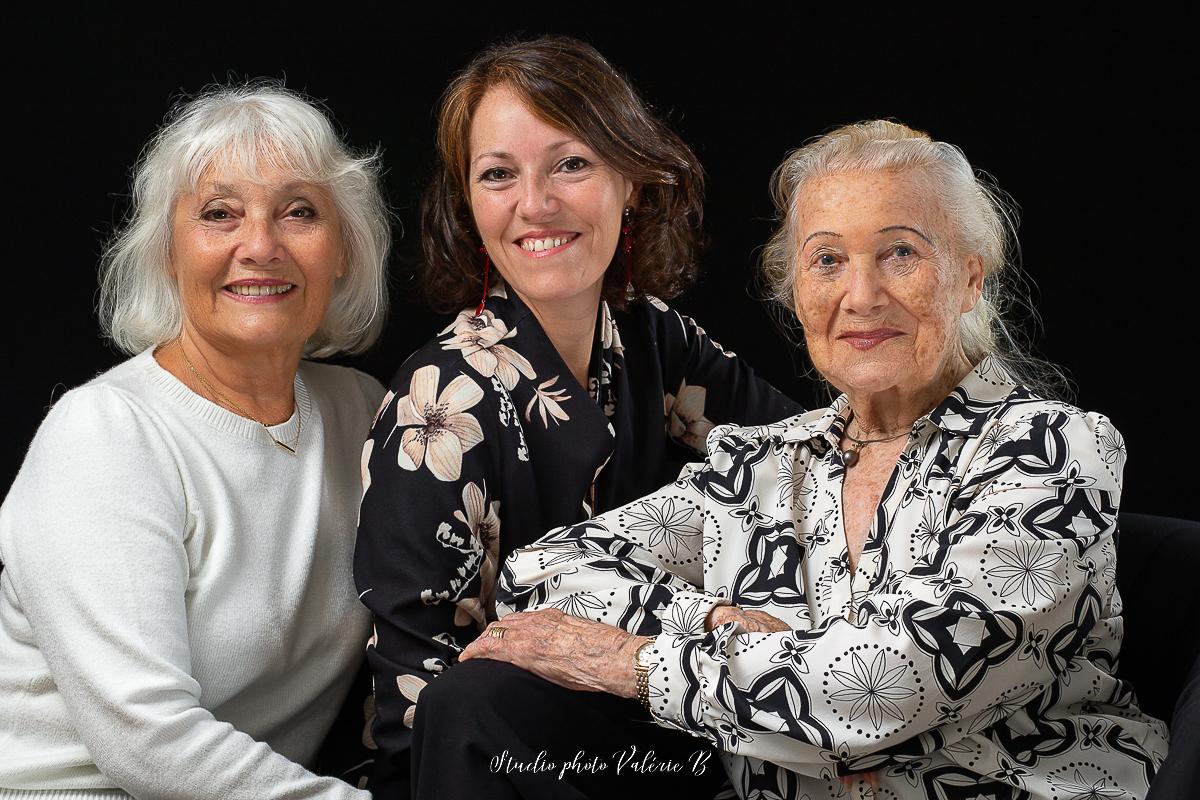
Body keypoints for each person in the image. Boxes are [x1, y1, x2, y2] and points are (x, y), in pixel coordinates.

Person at [456, 120, 1171, 799]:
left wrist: (638, 665)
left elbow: (889, 686)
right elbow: (540, 575)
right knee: (476, 705)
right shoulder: (760, 464)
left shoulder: (1051, 451)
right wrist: (711, 621)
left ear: (971, 278)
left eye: (901, 252)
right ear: (796, 292)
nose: (861, 296)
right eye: (827, 260)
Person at [354, 35, 802, 795]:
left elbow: (806, 457)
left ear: (630, 180)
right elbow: (419, 705)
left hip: (665, 723)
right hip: (504, 764)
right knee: (471, 700)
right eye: (499, 174)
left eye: (570, 164)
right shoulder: (440, 401)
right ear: (469, 203)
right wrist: (700, 620)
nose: (536, 204)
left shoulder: (655, 338)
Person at [0, 84, 389, 799]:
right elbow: (146, 741)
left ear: (344, 250)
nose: (261, 246)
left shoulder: (364, 415)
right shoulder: (107, 434)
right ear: (168, 254)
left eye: (299, 212)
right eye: (220, 214)